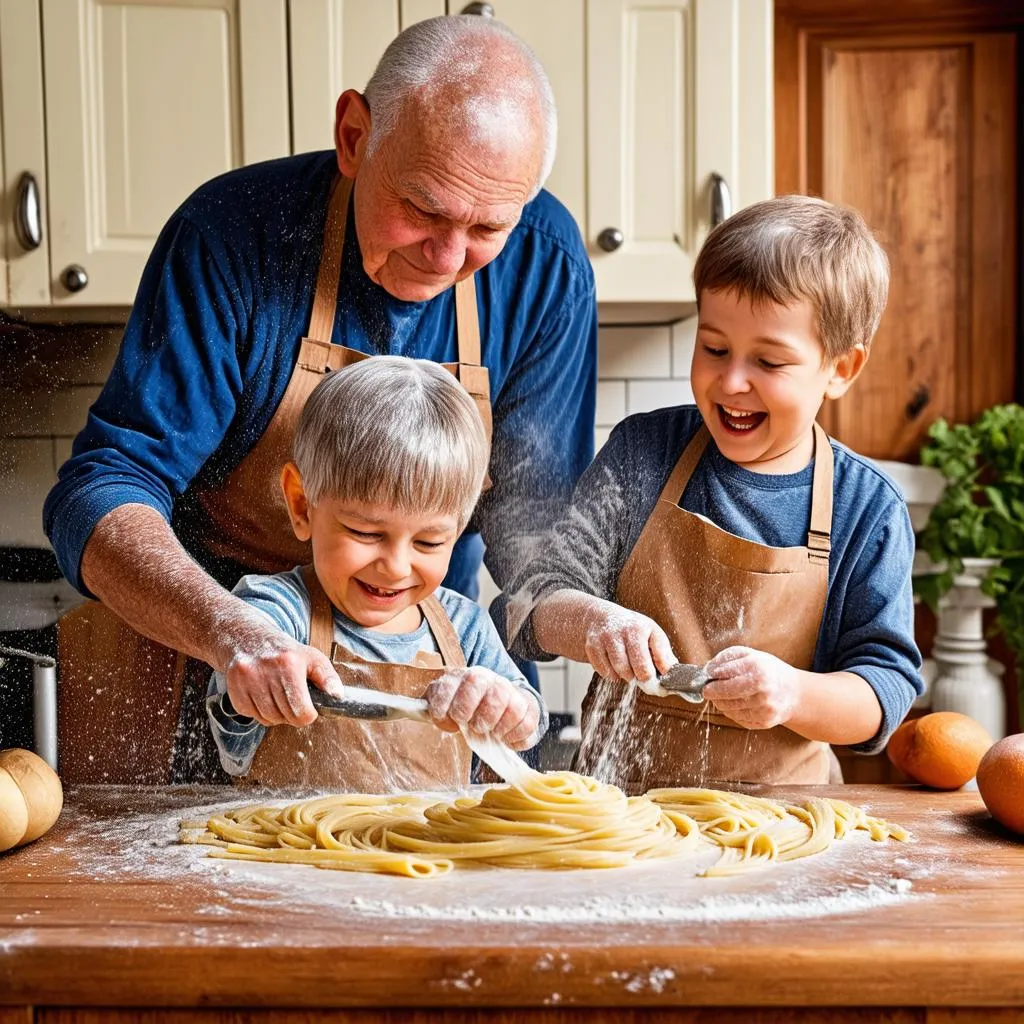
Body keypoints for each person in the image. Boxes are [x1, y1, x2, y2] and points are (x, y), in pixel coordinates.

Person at [43, 15, 595, 784]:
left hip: (431, 691)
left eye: (486, 227)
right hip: (220, 676)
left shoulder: (546, 265)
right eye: (424, 209)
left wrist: (560, 650)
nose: (446, 257)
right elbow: (101, 489)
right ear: (354, 135)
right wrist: (234, 635)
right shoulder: (232, 235)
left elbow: (537, 536)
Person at [505, 195, 924, 791]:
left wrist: (792, 693)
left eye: (770, 362)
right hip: (620, 820)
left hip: (782, 826)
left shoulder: (867, 507)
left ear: (840, 369)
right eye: (715, 348)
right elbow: (528, 604)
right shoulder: (644, 453)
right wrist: (594, 621)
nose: (731, 382)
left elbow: (883, 695)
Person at [206, 356, 545, 790]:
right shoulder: (278, 613)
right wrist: (253, 682)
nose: (396, 567)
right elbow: (233, 748)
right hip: (291, 855)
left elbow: (527, 727)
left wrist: (511, 710)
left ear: (458, 530)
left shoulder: (466, 628)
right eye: (366, 533)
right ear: (301, 505)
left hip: (433, 853)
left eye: (429, 542)